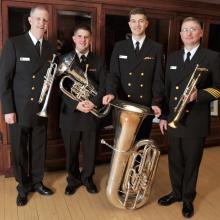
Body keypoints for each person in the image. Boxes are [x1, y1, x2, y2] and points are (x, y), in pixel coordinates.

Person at [158, 17, 220, 218]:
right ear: (180, 34)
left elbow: (219, 89)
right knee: (174, 160)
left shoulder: (212, 56)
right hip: (174, 118)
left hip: (196, 120)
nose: (189, 33)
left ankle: (187, 198)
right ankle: (175, 193)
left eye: (193, 29)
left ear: (201, 33)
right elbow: (167, 90)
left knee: (191, 162)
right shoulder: (173, 57)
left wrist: (199, 95)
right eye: (185, 30)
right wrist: (165, 116)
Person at [0, 5, 54, 206]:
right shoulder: (14, 44)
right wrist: (8, 110)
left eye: (45, 20)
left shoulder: (49, 47)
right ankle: (23, 187)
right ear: (30, 20)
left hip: (41, 108)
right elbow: (4, 81)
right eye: (38, 19)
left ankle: (38, 182)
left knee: (39, 147)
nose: (42, 23)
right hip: (18, 110)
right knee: (20, 149)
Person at [103, 8, 164, 140]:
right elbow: (113, 74)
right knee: (122, 142)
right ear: (129, 24)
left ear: (146, 23)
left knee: (140, 142)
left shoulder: (156, 48)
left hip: (145, 106)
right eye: (134, 21)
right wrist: (110, 92)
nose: (137, 24)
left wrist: (156, 101)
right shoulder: (119, 46)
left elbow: (158, 78)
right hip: (123, 104)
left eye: (141, 21)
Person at [59, 25, 106, 195]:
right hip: (70, 114)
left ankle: (87, 178)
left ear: (90, 39)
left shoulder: (98, 61)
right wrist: (75, 104)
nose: (82, 40)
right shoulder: (64, 60)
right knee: (71, 151)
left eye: (86, 37)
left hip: (90, 114)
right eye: (79, 36)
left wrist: (93, 102)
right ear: (74, 38)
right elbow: (60, 88)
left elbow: (103, 86)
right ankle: (73, 180)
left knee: (90, 151)